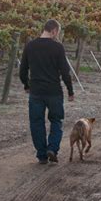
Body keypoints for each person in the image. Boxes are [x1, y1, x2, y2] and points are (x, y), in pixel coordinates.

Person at [19, 19, 74, 164]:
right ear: (54, 31)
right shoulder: (58, 48)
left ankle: (42, 155)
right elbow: (65, 71)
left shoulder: (30, 46)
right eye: (58, 33)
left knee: (36, 122)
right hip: (54, 91)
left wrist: (26, 85)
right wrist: (70, 90)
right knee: (56, 120)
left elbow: (22, 70)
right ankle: (53, 148)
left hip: (36, 91)